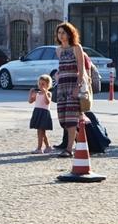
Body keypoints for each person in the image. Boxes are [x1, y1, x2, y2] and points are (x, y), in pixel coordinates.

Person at [53, 22, 87, 158]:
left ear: (69, 33)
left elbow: (81, 69)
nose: (61, 35)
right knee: (63, 119)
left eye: (63, 32)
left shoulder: (76, 47)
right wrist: (57, 76)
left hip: (73, 85)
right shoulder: (58, 50)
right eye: (59, 33)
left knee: (72, 119)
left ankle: (69, 149)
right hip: (62, 87)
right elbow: (61, 68)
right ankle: (82, 142)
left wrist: (77, 87)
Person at [29, 74, 54, 154]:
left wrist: (45, 92)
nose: (40, 86)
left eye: (43, 84)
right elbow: (30, 101)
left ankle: (39, 148)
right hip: (37, 112)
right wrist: (31, 93)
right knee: (41, 132)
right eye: (39, 84)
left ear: (48, 85)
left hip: (44, 113)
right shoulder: (37, 93)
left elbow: (47, 102)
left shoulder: (49, 93)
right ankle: (48, 147)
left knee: (41, 131)